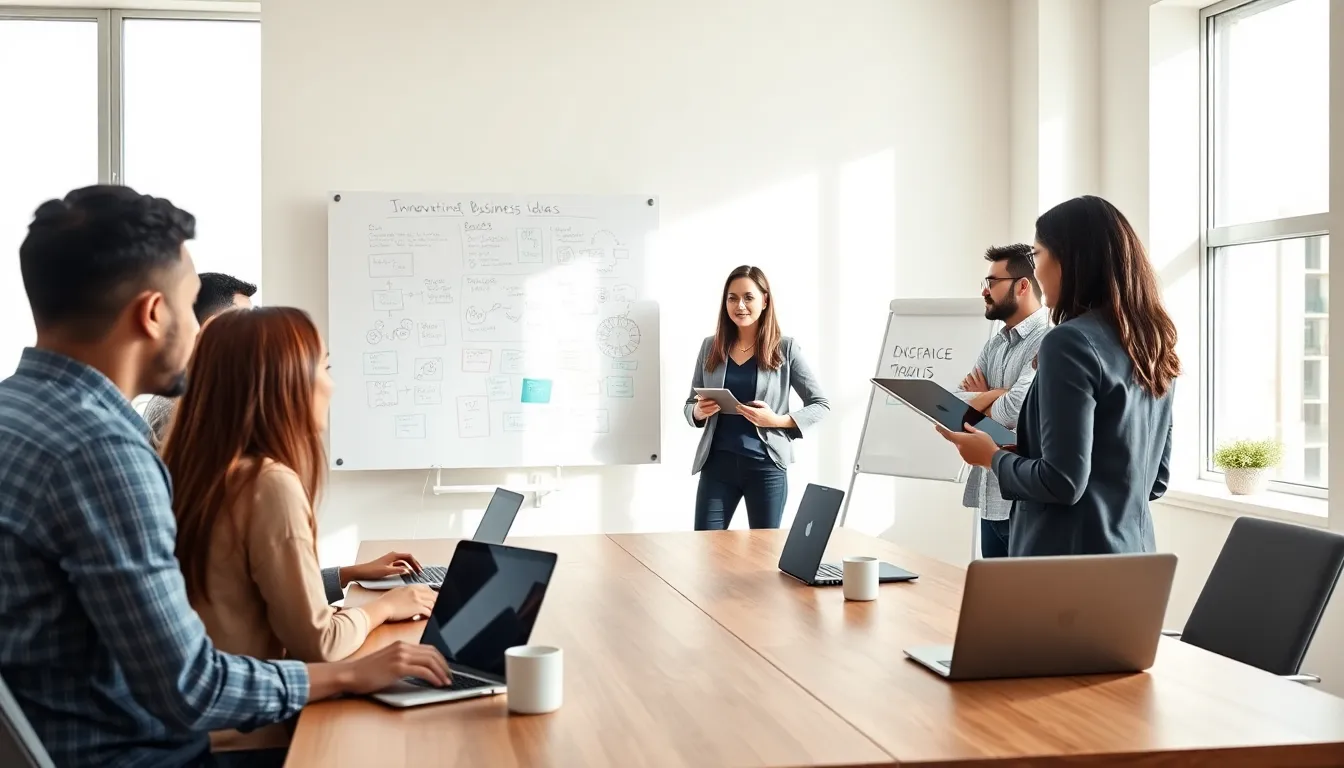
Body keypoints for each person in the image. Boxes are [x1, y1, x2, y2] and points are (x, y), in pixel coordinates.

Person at [0, 185, 450, 768]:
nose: (201, 333)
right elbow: (189, 688)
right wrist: (343, 677)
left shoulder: (18, 415)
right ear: (154, 313)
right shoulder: (102, 453)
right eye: (192, 308)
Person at [161, 306, 439, 755]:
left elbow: (242, 595)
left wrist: (346, 575)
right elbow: (320, 645)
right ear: (283, 382)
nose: (331, 384)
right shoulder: (267, 484)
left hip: (197, 734)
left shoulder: (191, 471)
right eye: (324, 367)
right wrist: (383, 608)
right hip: (252, 740)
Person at [937, 195, 1178, 557]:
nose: (1034, 271)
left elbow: (1063, 482)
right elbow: (1154, 480)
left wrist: (991, 457)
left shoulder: (1068, 342)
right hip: (1136, 557)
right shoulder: (1152, 342)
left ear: (1069, 259)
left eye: (1037, 256)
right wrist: (1025, 453)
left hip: (1065, 566)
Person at [684, 265, 829, 530]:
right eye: (732, 297)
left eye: (748, 297)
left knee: (764, 552)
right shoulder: (710, 346)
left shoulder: (785, 348)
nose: (739, 305)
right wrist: (698, 412)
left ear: (765, 300)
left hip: (766, 467)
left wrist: (776, 420)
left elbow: (820, 405)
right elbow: (689, 404)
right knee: (705, 548)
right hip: (717, 466)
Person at [953, 244, 1050, 558]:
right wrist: (996, 394)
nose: (985, 291)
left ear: (1022, 286)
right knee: (995, 604)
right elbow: (955, 405)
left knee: (1026, 604)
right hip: (988, 498)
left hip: (1022, 502)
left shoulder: (1048, 338)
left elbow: (1015, 412)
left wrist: (985, 398)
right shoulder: (995, 343)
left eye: (992, 282)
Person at [142, 271, 257, 447]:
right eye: (244, 322)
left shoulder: (216, 396)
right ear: (212, 327)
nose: (253, 333)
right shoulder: (176, 409)